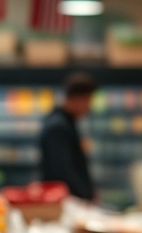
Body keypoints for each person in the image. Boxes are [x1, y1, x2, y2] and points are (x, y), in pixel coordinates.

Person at [38, 72, 98, 201]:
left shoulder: (66, 123)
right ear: (77, 98)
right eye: (88, 101)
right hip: (65, 202)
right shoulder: (58, 126)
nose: (89, 107)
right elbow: (63, 171)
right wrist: (85, 196)